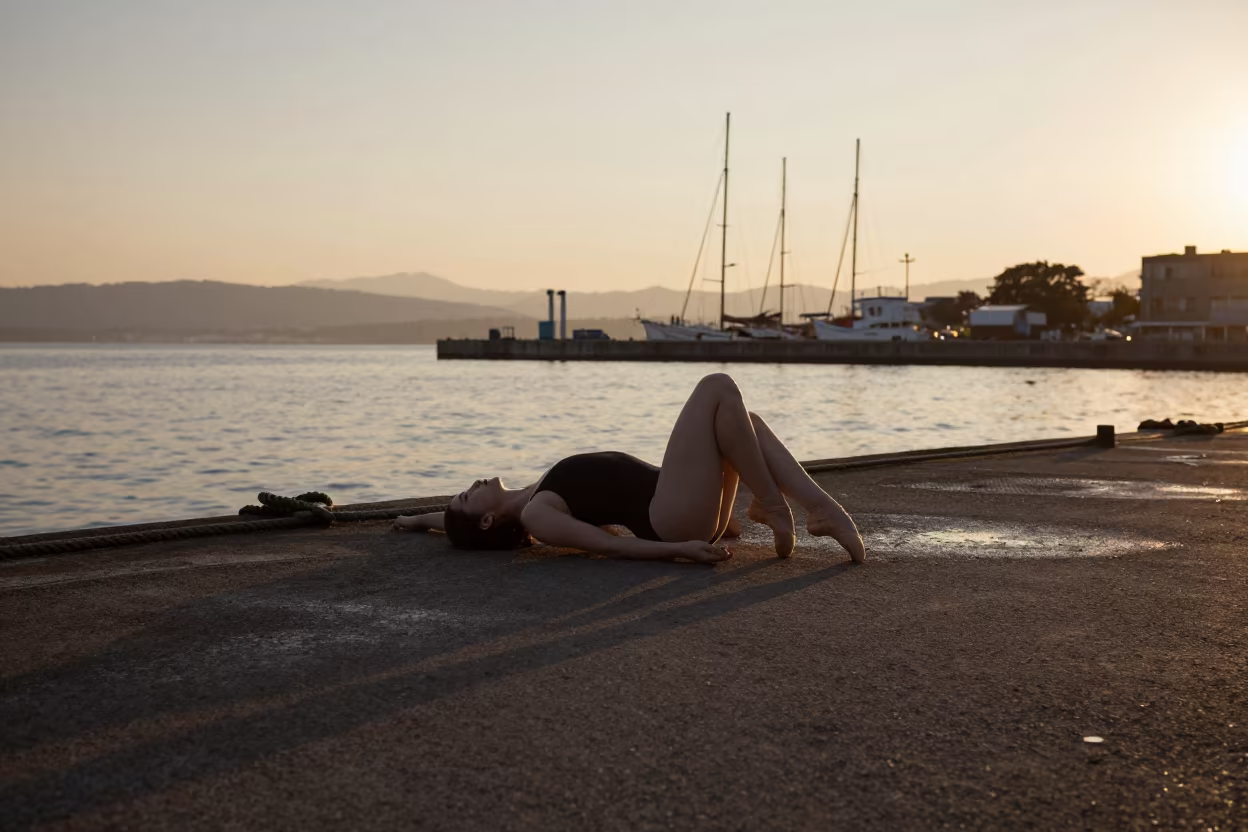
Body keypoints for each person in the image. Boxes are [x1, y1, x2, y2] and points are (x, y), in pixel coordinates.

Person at [393, 373, 865, 564]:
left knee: (743, 421)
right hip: (671, 521)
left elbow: (450, 522)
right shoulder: (538, 515)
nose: (471, 486)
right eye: (466, 496)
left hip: (682, 506)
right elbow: (605, 544)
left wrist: (415, 520)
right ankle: (778, 505)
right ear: (489, 520)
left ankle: (820, 509)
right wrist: (678, 551)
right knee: (717, 387)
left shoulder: (526, 496)